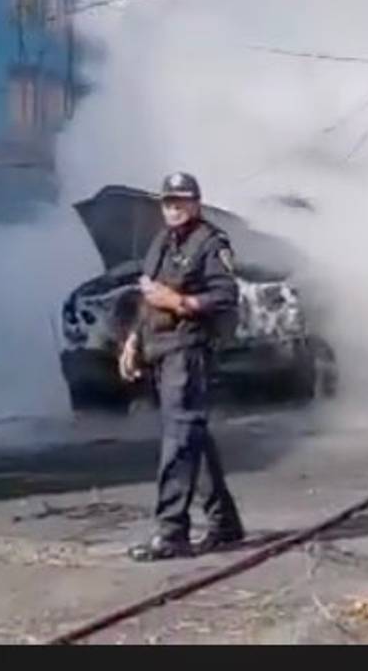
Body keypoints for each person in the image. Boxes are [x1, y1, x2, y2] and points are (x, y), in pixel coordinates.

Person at [122, 172, 246, 562]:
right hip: (159, 347)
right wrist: (132, 342)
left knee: (178, 439)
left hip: (189, 349)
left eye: (181, 201)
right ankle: (224, 522)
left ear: (196, 203)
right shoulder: (161, 243)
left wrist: (179, 302)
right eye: (168, 202)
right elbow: (148, 296)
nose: (174, 208)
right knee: (192, 436)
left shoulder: (211, 243)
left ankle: (172, 532)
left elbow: (225, 297)